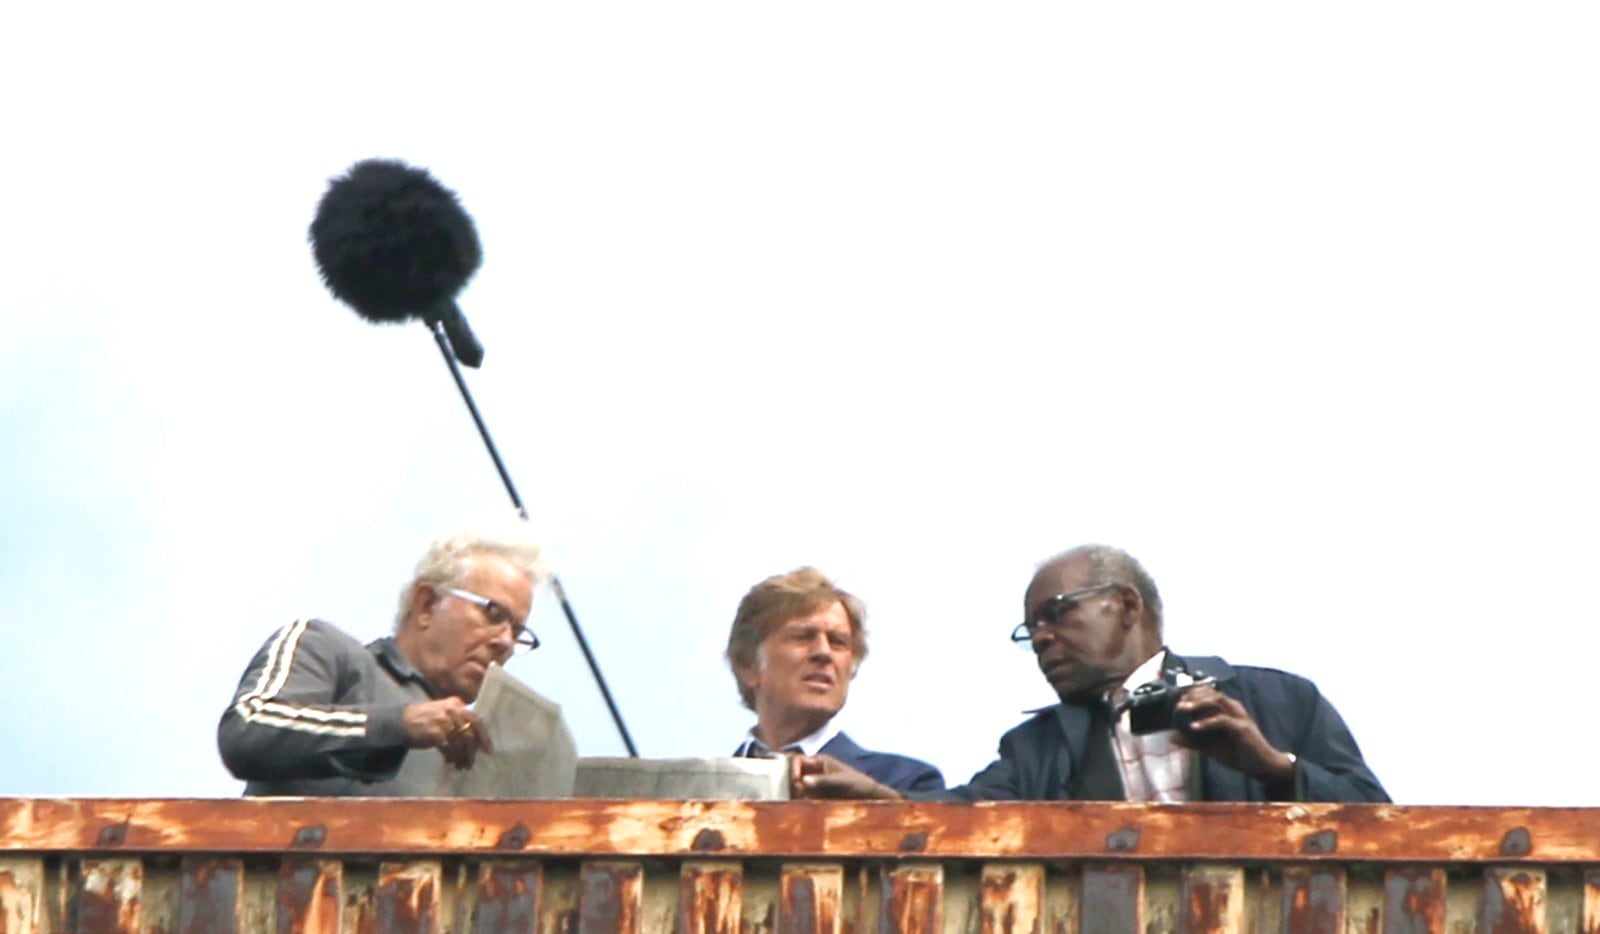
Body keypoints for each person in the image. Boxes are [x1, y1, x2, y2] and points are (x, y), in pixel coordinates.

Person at [794, 545, 1388, 803]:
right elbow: (965, 817)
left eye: (1058, 614)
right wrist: (886, 800)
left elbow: (1377, 818)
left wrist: (1271, 766)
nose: (1044, 638)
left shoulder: (1277, 699)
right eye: (1032, 631)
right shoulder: (1037, 746)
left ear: (1127, 606)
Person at [217, 529, 544, 795]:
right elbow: (248, 728)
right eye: (493, 614)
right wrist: (399, 726)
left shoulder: (476, 749)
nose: (505, 643)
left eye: (516, 632)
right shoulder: (326, 649)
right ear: (427, 604)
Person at [726, 567, 945, 793]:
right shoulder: (697, 792)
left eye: (838, 642)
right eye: (802, 637)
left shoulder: (905, 784)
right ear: (748, 665)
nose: (824, 652)